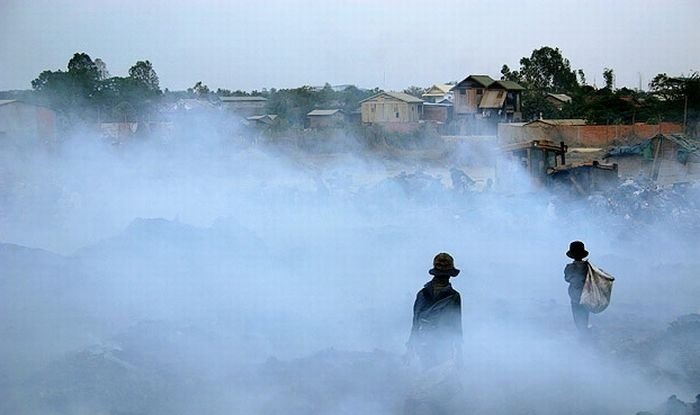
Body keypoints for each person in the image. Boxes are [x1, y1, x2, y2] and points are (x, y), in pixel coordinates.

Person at [407, 252, 463, 370]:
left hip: (432, 346)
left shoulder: (423, 294)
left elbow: (415, 323)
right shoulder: (453, 296)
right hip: (434, 347)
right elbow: (456, 326)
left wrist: (411, 345)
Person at [564, 240, 590, 334]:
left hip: (575, 295)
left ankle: (581, 331)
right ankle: (585, 329)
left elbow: (567, 278)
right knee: (585, 312)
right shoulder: (588, 266)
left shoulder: (570, 267)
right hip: (586, 294)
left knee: (577, 313)